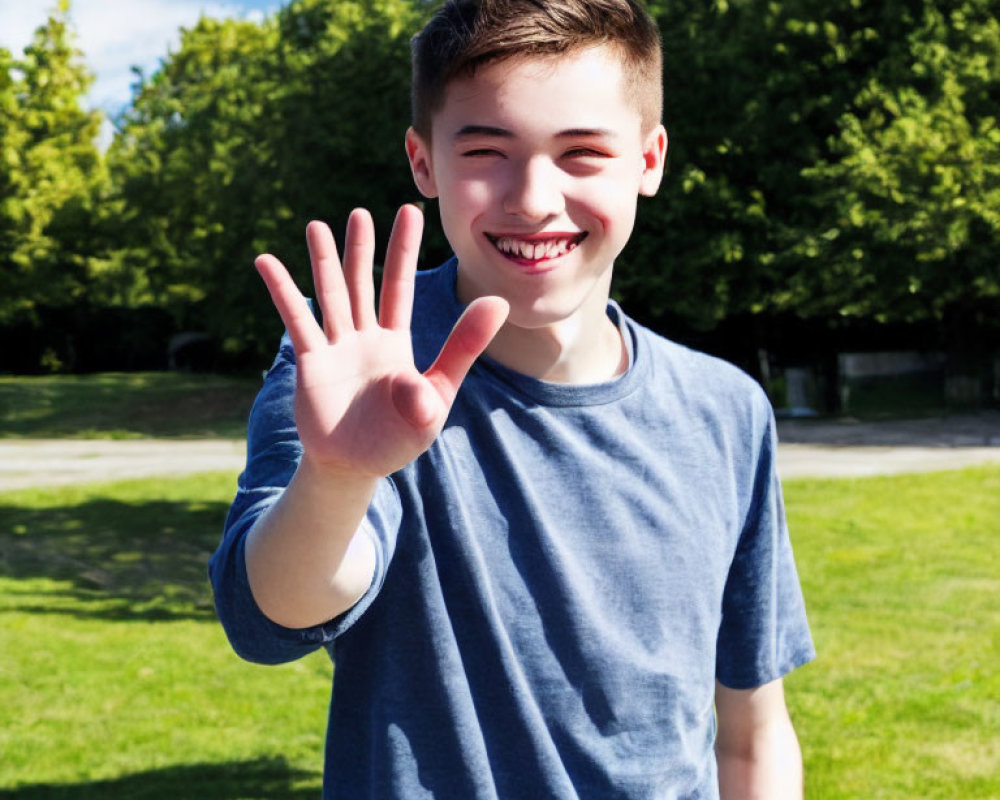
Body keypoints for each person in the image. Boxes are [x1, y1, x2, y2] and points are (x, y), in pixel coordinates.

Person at [209, 0, 815, 797]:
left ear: (650, 158)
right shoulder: (359, 367)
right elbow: (273, 616)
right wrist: (337, 477)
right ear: (424, 164)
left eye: (583, 152)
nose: (533, 197)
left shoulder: (727, 410)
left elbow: (752, 730)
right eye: (487, 150)